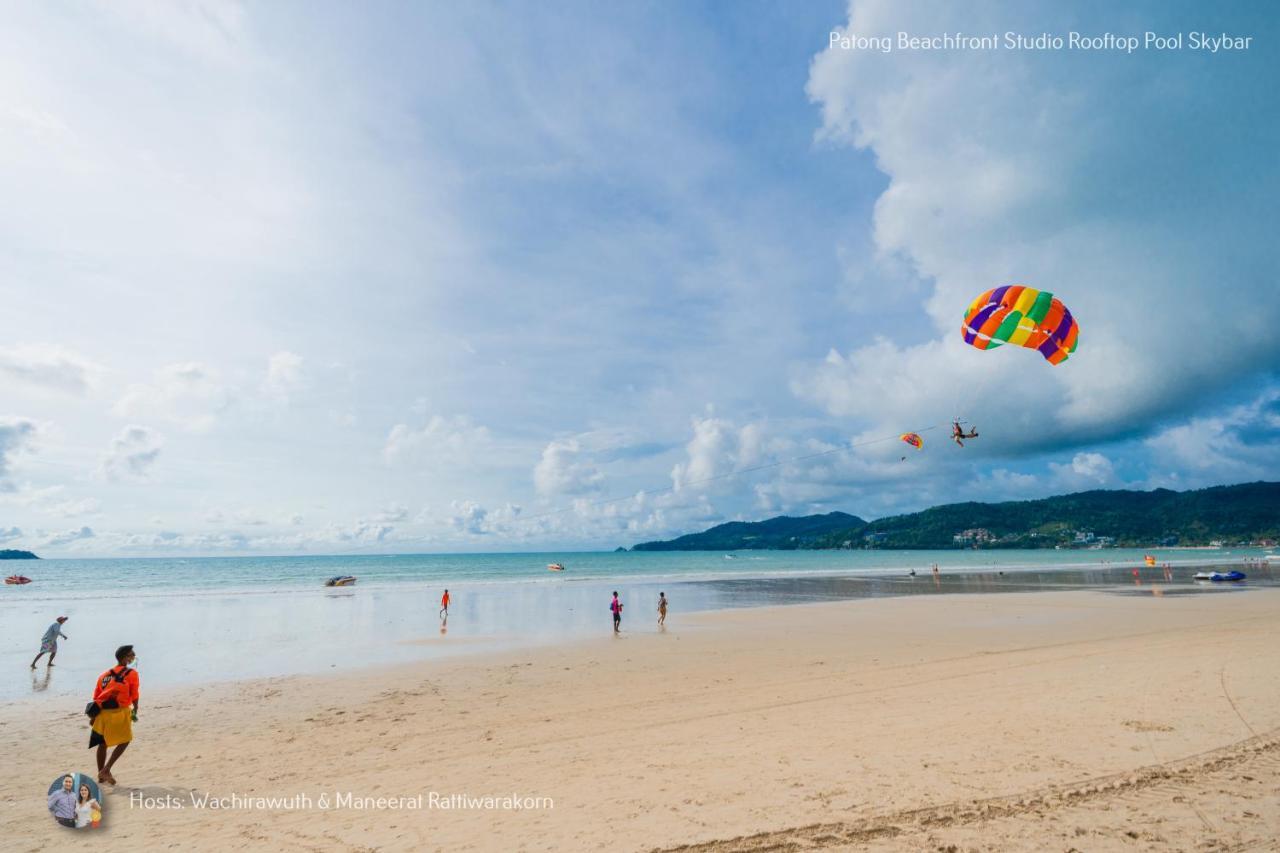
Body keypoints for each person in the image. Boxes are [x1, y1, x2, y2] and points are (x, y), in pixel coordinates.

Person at [90, 645, 139, 785]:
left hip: (101, 712)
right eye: (131, 654)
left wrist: (93, 717)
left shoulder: (103, 675)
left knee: (103, 743)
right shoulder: (132, 673)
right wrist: (136, 708)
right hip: (119, 711)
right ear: (125, 657)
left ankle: (101, 775)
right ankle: (106, 769)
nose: (133, 656)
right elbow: (134, 693)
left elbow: (96, 696)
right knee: (125, 739)